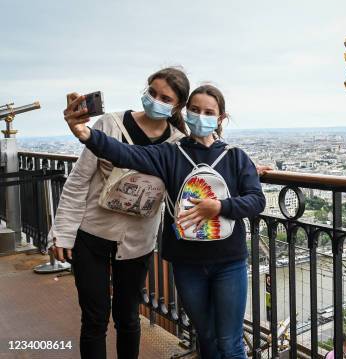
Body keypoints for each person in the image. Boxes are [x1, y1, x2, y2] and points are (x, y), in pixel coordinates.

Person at [64, 83, 266, 359]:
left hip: (228, 260)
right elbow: (126, 153)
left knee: (230, 343)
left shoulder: (234, 156)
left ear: (220, 119)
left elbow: (257, 200)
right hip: (188, 262)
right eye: (194, 110)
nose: (200, 116)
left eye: (208, 112)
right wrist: (86, 134)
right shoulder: (171, 153)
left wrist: (218, 206)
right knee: (206, 337)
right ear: (184, 111)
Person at [48, 67, 190, 359]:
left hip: (137, 242)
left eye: (165, 97)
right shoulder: (109, 124)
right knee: (95, 318)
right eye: (152, 92)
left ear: (176, 106)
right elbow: (78, 182)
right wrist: (62, 232)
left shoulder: (177, 144)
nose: (155, 100)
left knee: (127, 318)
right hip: (93, 233)